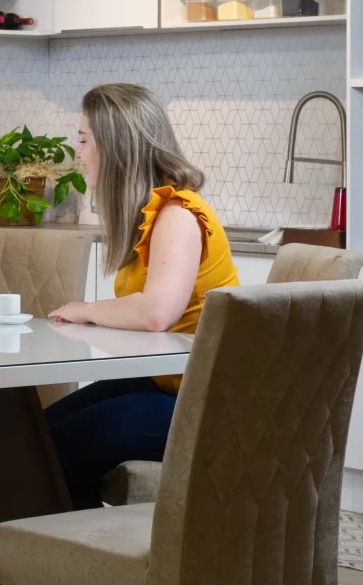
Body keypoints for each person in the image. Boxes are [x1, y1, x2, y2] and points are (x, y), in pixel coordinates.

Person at [46, 83, 240, 509]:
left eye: (83, 140)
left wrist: (86, 310)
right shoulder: (151, 215)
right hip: (172, 384)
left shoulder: (178, 214)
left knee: (52, 453)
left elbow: (157, 313)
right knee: (38, 436)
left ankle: (77, 559)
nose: (78, 152)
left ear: (115, 148)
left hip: (207, 402)